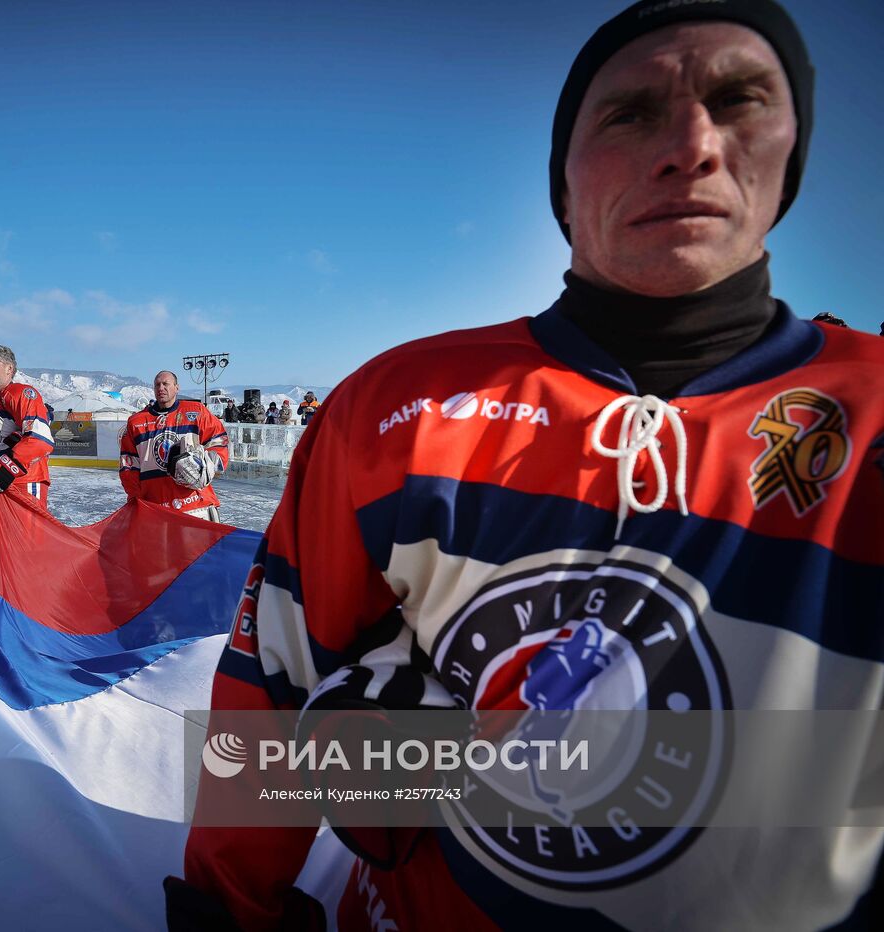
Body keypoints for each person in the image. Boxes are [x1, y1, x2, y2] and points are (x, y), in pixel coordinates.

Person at [175, 2, 884, 930]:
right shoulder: (397, 405)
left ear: (790, 154)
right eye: (631, 112)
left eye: (739, 100)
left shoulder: (868, 415)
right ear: (562, 181)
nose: (691, 144)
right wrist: (228, 909)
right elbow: (276, 689)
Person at [119, 370, 230, 522]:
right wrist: (137, 500)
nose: (161, 388)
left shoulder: (197, 412)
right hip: (155, 509)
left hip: (197, 507)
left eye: (166, 384)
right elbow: (129, 467)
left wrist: (206, 467)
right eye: (157, 385)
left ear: (177, 388)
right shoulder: (135, 422)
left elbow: (219, 441)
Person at [0, 345, 54, 502]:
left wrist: (6, 468)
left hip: (22, 483)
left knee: (25, 528)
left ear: (9, 369)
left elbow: (40, 441)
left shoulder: (22, 394)